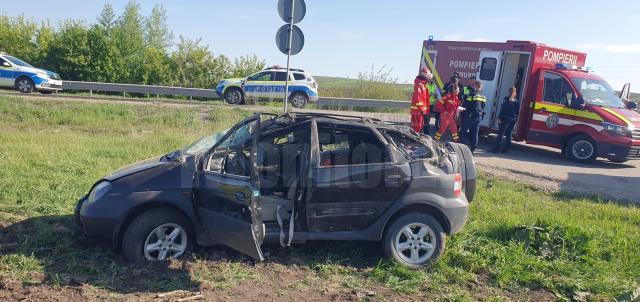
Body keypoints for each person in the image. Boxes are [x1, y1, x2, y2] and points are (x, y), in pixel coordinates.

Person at [460, 80, 486, 152]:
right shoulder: (483, 96)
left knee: (463, 131)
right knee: (475, 133)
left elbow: (466, 104)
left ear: (475, 86)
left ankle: (462, 148)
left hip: (470, 116)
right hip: (478, 117)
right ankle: (473, 149)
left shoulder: (472, 94)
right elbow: (483, 106)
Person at [493, 87, 520, 153]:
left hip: (506, 119)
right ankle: (506, 150)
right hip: (513, 119)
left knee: (501, 134)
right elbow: (517, 111)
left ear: (508, 91)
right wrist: (515, 118)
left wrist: (499, 118)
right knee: (509, 135)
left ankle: (497, 149)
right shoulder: (517, 101)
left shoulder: (506, 99)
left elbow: (503, 110)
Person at [410, 67, 430, 133]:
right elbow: (418, 98)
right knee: (416, 127)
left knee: (419, 127)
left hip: (420, 111)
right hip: (417, 111)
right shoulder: (419, 84)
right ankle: (413, 140)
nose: (428, 77)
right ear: (423, 74)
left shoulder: (423, 84)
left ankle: (416, 139)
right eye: (427, 75)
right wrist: (421, 109)